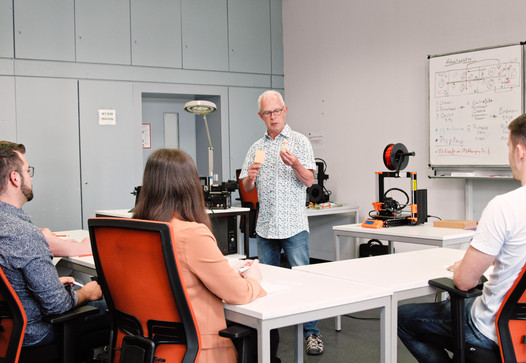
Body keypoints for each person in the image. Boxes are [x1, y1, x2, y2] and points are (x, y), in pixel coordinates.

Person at [397, 111, 526, 362]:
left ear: (520, 152)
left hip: (492, 328)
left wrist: (466, 267)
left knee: (403, 318)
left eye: (508, 147)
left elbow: (465, 282)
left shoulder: (506, 206)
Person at [132, 148, 267, 363]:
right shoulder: (191, 234)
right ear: (190, 187)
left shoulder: (136, 229)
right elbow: (238, 294)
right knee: (269, 337)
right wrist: (253, 278)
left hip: (146, 346)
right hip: (195, 348)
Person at [0, 141, 108, 354]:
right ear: (15, 178)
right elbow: (57, 307)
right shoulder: (23, 233)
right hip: (34, 335)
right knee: (112, 309)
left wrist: (49, 285)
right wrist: (86, 292)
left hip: (6, 334)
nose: (30, 176)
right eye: (27, 170)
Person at [239, 90, 324, 355]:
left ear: (285, 111)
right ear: (260, 116)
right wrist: (250, 178)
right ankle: (269, 333)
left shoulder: (299, 142)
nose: (273, 117)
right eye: (268, 113)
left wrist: (297, 164)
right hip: (266, 226)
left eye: (277, 111)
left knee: (303, 280)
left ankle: (312, 333)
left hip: (294, 225)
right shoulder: (256, 147)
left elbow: (310, 181)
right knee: (265, 283)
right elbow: (246, 188)